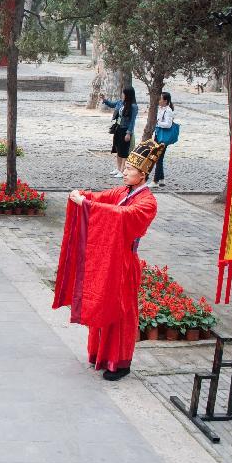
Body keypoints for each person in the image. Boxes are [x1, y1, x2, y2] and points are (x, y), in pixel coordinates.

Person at [53, 139, 164, 381]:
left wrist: (88, 205)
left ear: (143, 174)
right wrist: (82, 195)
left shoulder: (147, 202)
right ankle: (101, 355)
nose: (125, 173)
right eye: (125, 169)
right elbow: (103, 198)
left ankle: (121, 362)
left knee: (122, 311)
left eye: (130, 170)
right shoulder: (123, 192)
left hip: (125, 262)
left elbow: (123, 216)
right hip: (110, 259)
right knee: (104, 304)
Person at [102, 87, 139, 177]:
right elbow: (111, 104)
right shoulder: (120, 102)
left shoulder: (133, 106)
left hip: (125, 129)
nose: (122, 94)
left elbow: (132, 121)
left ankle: (122, 170)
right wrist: (104, 100)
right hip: (118, 128)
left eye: (124, 93)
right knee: (117, 148)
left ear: (128, 94)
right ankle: (118, 168)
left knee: (124, 151)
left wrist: (128, 133)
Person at [152, 91, 175, 188]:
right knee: (158, 158)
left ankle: (155, 181)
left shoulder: (168, 111)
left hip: (163, 138)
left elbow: (168, 124)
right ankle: (161, 179)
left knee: (158, 158)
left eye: (161, 99)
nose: (159, 100)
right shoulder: (161, 109)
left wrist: (157, 123)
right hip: (158, 135)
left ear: (165, 101)